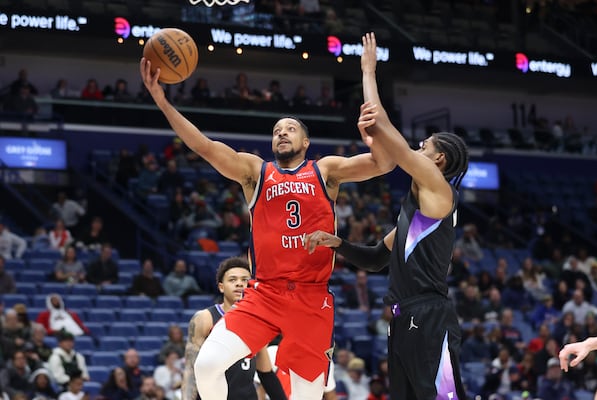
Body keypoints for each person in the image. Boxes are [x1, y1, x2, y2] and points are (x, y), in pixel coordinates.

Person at [140, 51, 392, 400]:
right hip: (265, 294)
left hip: (311, 298)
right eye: (276, 131)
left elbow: (385, 163)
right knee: (207, 365)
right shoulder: (256, 172)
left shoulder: (326, 170)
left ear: (306, 142)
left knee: (307, 396)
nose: (282, 133)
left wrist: (373, 130)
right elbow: (204, 147)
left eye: (290, 129)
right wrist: (162, 102)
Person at [304, 33, 469, 399]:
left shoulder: (440, 190)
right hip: (401, 318)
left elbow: (384, 128)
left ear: (438, 160)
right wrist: (339, 243)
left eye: (423, 146)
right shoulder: (414, 211)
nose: (416, 148)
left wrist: (367, 72)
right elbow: (378, 257)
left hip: (428, 317)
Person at [181, 256, 286, 400]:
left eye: (245, 280)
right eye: (232, 280)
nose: (239, 284)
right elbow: (191, 369)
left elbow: (266, 373)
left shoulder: (258, 321)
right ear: (221, 287)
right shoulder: (205, 318)